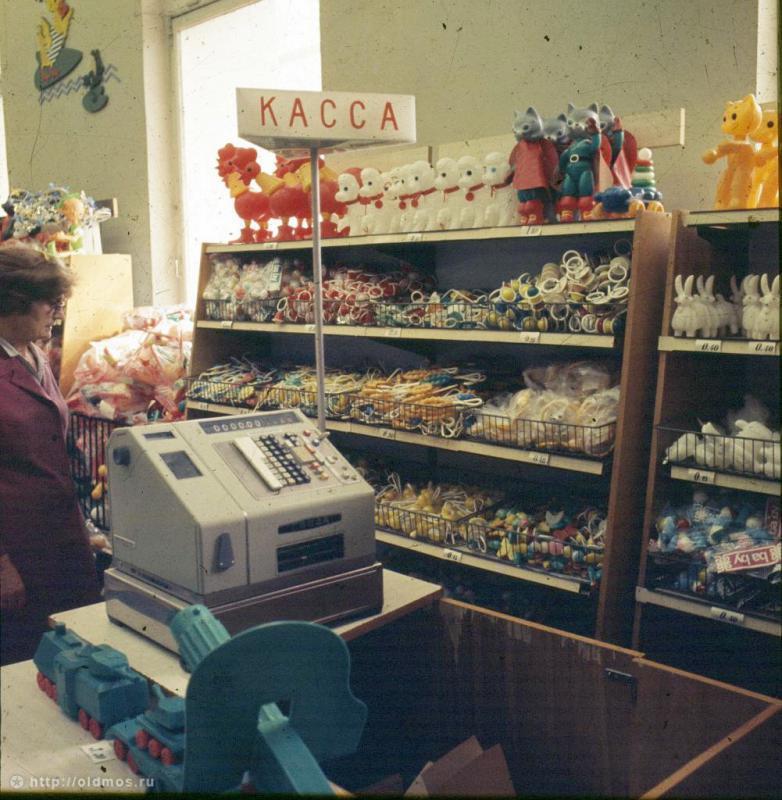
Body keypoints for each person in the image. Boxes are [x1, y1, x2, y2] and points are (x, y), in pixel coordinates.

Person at [0, 242, 100, 665]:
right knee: (26, 663)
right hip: (17, 550)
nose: (57, 313)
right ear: (13, 302)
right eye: (50, 303)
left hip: (61, 537)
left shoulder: (35, 354)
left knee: (78, 650)